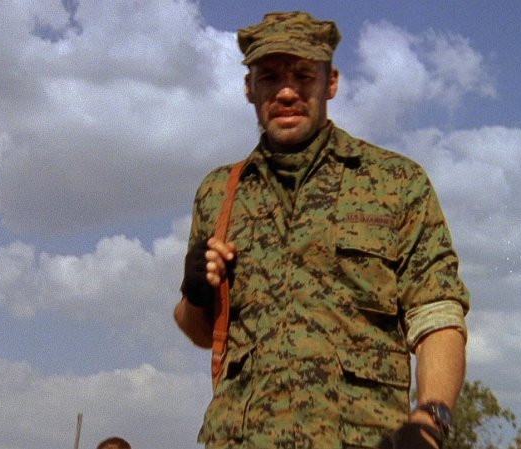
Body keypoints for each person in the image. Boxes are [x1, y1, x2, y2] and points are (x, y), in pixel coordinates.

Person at [174, 11, 470, 449]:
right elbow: (204, 333)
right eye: (270, 77)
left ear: (330, 82)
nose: (287, 91)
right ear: (249, 88)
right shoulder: (219, 192)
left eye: (303, 76)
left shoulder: (396, 182)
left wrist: (429, 419)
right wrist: (195, 294)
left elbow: (437, 315)